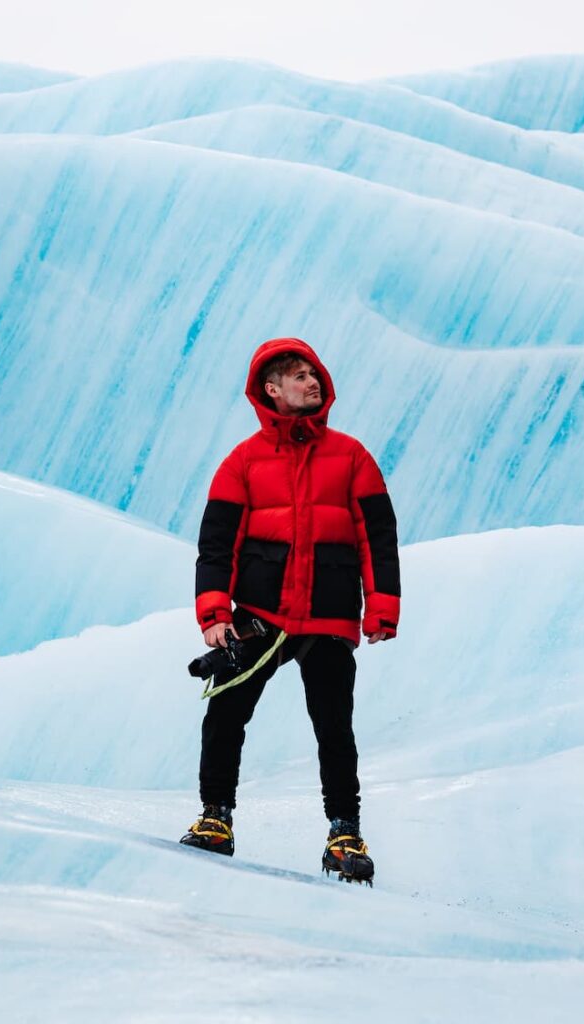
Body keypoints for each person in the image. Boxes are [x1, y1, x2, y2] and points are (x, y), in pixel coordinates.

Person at [180, 337, 400, 884]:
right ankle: (216, 819)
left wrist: (383, 608)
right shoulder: (243, 461)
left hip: (327, 618)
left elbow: (378, 537)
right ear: (271, 390)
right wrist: (214, 612)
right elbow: (217, 544)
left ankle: (344, 833)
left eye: (314, 373)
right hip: (259, 615)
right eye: (298, 375)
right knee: (226, 713)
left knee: (334, 729)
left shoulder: (352, 457)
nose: (312, 381)